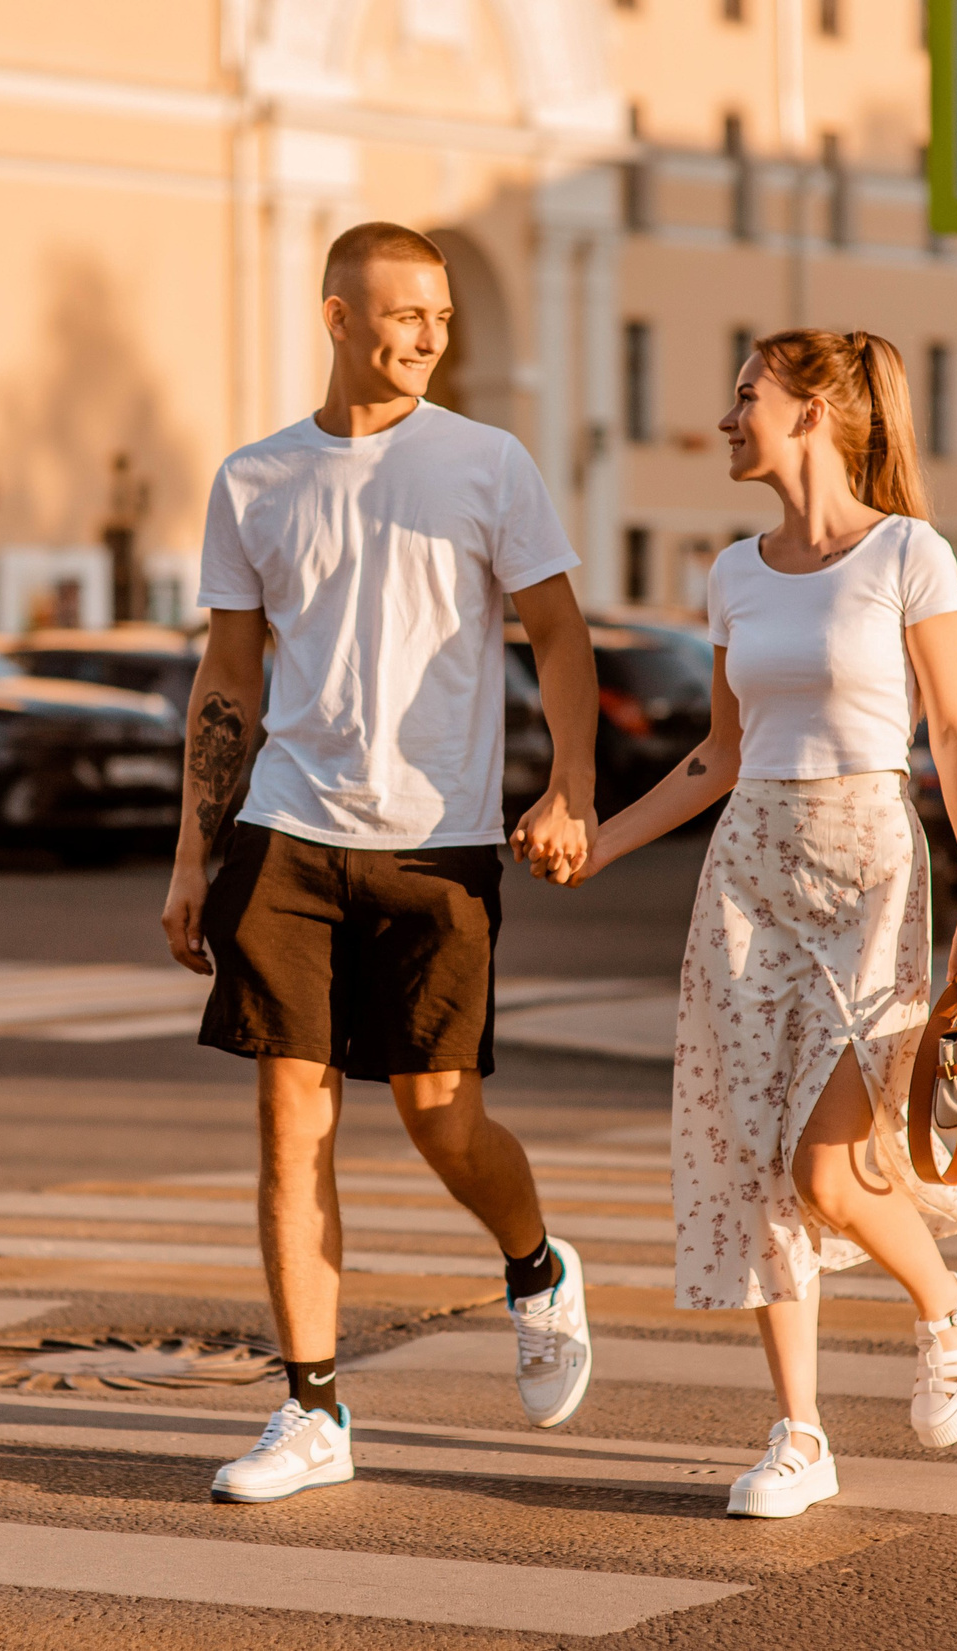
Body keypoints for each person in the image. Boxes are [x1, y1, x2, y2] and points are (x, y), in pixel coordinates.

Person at [161, 221, 604, 1506]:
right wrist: (194, 854)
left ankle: (533, 1262)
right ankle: (311, 1408)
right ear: (338, 314)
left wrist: (569, 787)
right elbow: (227, 680)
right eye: (403, 314)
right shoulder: (254, 480)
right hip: (287, 836)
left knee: (437, 1118)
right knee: (290, 1126)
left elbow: (561, 638)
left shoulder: (486, 463)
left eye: (443, 321)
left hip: (439, 843)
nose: (424, 339)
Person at [569, 329, 957, 1520]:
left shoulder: (909, 553)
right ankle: (799, 1436)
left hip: (869, 868)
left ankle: (951, 1305)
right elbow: (717, 752)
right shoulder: (732, 571)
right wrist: (599, 840)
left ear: (813, 409)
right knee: (757, 1161)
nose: (726, 417)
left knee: (827, 1168)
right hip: (747, 874)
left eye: (745, 396)